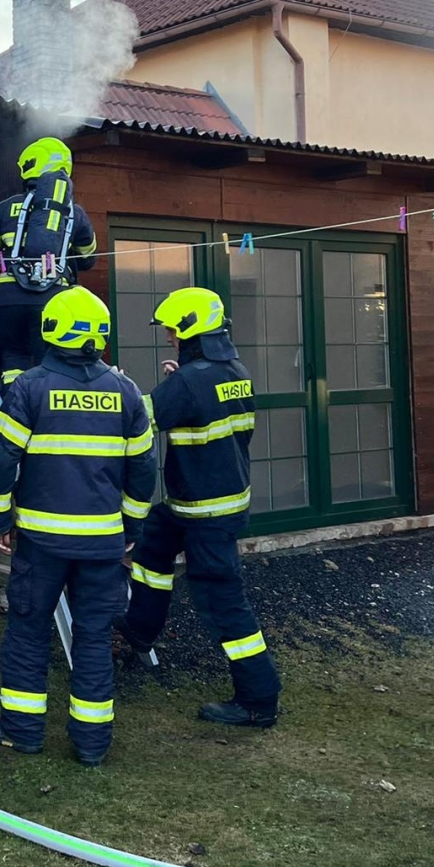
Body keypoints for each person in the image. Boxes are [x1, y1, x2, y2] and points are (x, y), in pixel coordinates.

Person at [0, 286, 156, 766]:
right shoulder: (127, 392)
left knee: (28, 631)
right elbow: (143, 470)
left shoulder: (29, 388)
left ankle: (21, 731)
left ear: (51, 330)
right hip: (103, 545)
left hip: (41, 543)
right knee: (95, 637)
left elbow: (1, 460)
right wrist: (132, 527)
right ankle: (93, 744)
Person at [115, 287, 281, 728]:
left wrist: (117, 384)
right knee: (152, 543)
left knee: (223, 602)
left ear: (188, 329)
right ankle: (140, 625)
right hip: (204, 504)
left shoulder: (190, 382)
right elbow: (199, 402)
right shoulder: (232, 369)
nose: (168, 336)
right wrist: (180, 379)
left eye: (171, 329)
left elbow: (138, 415)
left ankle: (258, 698)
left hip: (206, 513)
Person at [0, 137, 99, 390]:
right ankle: (46, 412)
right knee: (49, 362)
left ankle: (14, 408)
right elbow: (88, 259)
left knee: (13, 359)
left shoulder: (3, 208)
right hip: (52, 301)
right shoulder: (74, 213)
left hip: (6, 300)